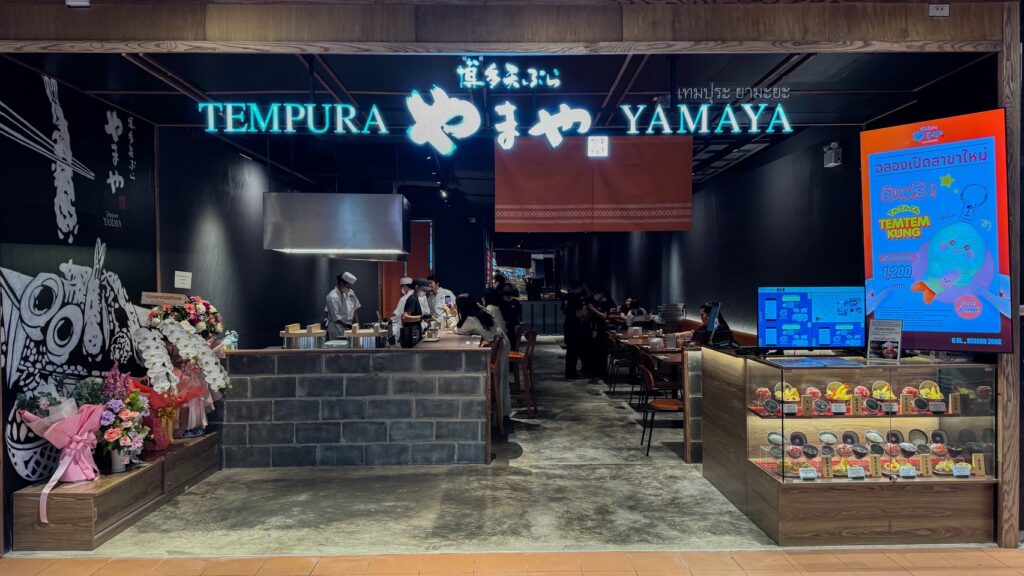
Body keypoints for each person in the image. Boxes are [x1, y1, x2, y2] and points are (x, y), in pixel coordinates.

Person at [455, 293, 509, 417]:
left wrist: (452, 315)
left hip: (498, 347)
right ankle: (501, 414)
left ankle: (497, 415)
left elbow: (458, 329)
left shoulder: (470, 320)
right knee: (502, 380)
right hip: (502, 343)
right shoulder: (481, 311)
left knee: (500, 381)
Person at [325, 272, 360, 340]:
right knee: (339, 346)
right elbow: (337, 318)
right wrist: (349, 326)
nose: (350, 288)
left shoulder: (350, 292)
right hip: (337, 328)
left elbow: (356, 307)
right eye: (348, 286)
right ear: (341, 284)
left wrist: (357, 324)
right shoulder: (332, 297)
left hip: (349, 326)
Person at [563, 281, 587, 380]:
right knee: (573, 351)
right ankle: (571, 374)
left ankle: (570, 372)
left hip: (568, 326)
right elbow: (578, 314)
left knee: (571, 351)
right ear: (578, 288)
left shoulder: (567, 297)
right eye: (581, 288)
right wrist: (585, 310)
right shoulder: (575, 298)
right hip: (573, 327)